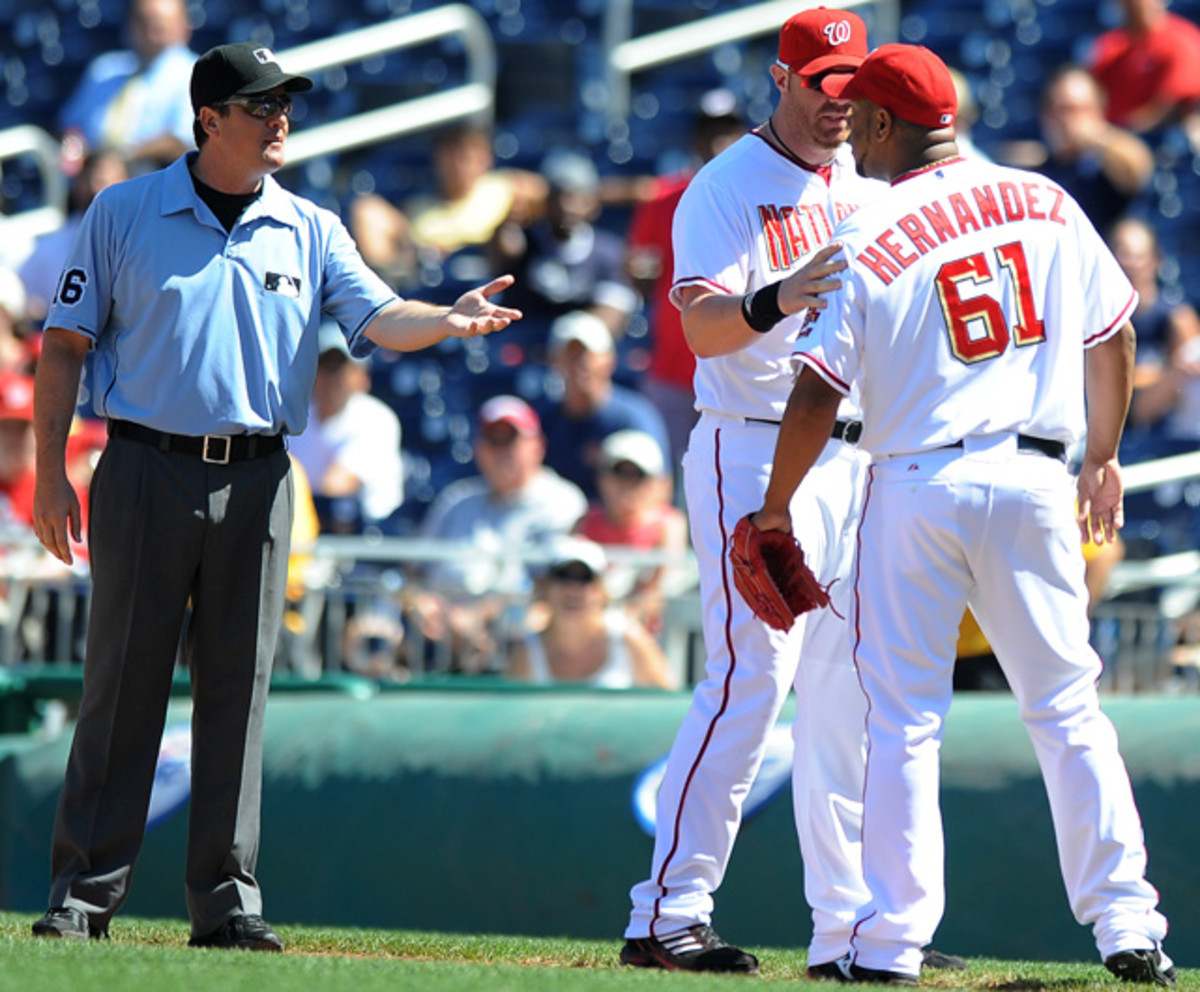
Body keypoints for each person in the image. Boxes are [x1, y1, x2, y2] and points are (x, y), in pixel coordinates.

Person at [30, 42, 521, 950]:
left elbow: (379, 318)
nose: (280, 120)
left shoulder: (311, 226)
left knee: (238, 692)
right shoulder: (124, 210)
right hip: (143, 466)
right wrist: (52, 469)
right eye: (261, 107)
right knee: (120, 689)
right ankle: (82, 897)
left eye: (284, 106)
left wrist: (445, 317)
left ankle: (226, 901)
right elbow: (63, 344)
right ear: (209, 118)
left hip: (259, 474)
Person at [751, 43, 1173, 984]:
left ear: (891, 125)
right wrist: (1102, 456)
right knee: (1068, 707)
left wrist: (775, 507)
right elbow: (1116, 333)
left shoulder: (869, 232)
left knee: (903, 721)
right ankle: (1128, 927)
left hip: (915, 482)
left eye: (861, 115)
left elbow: (817, 392)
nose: (850, 128)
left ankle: (892, 943)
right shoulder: (1047, 199)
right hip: (1033, 478)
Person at [622, 6, 889, 977]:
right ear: (782, 79)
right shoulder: (725, 186)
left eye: (852, 87)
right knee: (749, 682)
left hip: (855, 455)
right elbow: (699, 327)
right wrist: (782, 293)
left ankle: (848, 930)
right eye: (823, 84)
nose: (838, 103)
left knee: (845, 693)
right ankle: (665, 911)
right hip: (753, 447)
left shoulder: (862, 181)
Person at [409, 395, 587, 673]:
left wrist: (482, 615)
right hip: (440, 630)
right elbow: (412, 571)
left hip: (515, 627)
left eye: (512, 440)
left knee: (533, 620)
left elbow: (555, 585)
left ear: (537, 446)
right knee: (374, 628)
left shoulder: (562, 501)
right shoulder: (456, 499)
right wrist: (422, 603)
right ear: (479, 449)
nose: (503, 451)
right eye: (494, 440)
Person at [625, 89, 748, 473]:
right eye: (709, 131)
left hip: (740, 369)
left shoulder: (759, 196)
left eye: (727, 130)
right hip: (675, 370)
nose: (717, 141)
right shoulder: (665, 198)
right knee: (671, 480)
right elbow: (637, 274)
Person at [349, 122, 545, 290]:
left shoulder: (506, 187)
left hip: (496, 281)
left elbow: (555, 197)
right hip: (429, 286)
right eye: (452, 155)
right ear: (438, 159)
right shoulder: (420, 208)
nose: (460, 165)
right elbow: (368, 213)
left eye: (468, 156)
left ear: (486, 159)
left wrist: (526, 216)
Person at [489, 148, 639, 357]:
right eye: (557, 197)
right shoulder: (525, 242)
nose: (565, 206)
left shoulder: (609, 253)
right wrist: (508, 219)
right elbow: (502, 254)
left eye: (575, 197)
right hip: (525, 354)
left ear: (592, 204)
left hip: (578, 357)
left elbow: (613, 314)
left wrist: (566, 340)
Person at [1001, 65, 1154, 236]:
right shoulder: (1043, 171)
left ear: (1097, 110)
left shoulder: (1107, 164)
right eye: (1056, 109)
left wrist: (1096, 134)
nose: (1063, 119)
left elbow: (1137, 169)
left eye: (1074, 109)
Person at [535, 310, 670, 502]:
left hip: (621, 524)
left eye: (587, 354)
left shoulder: (633, 417)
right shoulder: (545, 419)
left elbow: (659, 488)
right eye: (571, 354)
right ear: (554, 360)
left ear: (609, 360)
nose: (580, 364)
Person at [507, 536, 675, 689]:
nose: (573, 590)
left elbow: (667, 703)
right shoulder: (526, 652)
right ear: (545, 587)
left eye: (584, 578)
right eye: (563, 577)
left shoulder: (629, 641)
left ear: (601, 590)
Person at [287, 322, 405, 533]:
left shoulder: (375, 417)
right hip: (312, 530)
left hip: (371, 538)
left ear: (362, 377)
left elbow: (337, 486)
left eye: (340, 367)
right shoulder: (296, 415)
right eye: (324, 366)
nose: (332, 378)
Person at [57, 0, 198, 172]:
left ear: (184, 27)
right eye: (143, 21)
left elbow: (183, 142)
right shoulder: (105, 69)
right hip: (89, 180)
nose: (151, 32)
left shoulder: (194, 73)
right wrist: (76, 154)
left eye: (160, 25)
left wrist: (120, 159)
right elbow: (71, 125)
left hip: (152, 182)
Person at [574, 428, 689, 632]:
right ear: (602, 479)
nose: (627, 484)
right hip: (591, 635)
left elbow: (662, 587)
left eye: (637, 475)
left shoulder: (669, 524)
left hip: (647, 638)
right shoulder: (584, 523)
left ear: (657, 483)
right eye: (620, 473)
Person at [1112, 216, 1200, 458]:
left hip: (1165, 438)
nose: (1126, 263)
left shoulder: (1175, 319)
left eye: (1135, 255)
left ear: (1155, 260)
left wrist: (1162, 379)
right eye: (1119, 254)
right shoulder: (1096, 320)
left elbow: (1184, 387)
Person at [19, 149, 131, 323]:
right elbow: (25, 304)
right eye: (89, 179)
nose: (95, 188)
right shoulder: (49, 247)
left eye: (104, 181)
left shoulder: (145, 243)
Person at [1087, 0, 1200, 146]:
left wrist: (1120, 132)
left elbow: (1169, 106)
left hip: (1161, 141)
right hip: (1113, 138)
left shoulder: (1183, 39)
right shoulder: (1109, 46)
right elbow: (1091, 96)